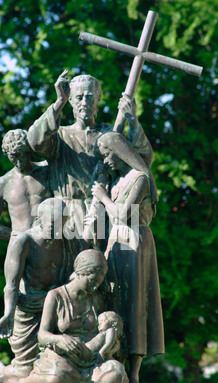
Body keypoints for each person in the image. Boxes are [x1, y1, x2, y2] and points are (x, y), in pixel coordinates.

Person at [27, 71, 151, 259]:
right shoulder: (60, 136)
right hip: (67, 215)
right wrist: (58, 101)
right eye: (79, 97)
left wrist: (133, 120)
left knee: (104, 276)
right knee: (71, 276)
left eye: (90, 97)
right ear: (71, 101)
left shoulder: (111, 135)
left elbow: (142, 162)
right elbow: (34, 141)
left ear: (98, 100)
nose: (84, 101)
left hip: (105, 212)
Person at [0, 250, 130, 383]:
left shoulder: (96, 298)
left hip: (90, 358)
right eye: (92, 281)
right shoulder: (56, 296)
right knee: (56, 378)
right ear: (80, 273)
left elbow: (103, 331)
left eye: (98, 283)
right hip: (63, 356)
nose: (94, 287)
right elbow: (42, 335)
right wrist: (59, 340)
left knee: (117, 373)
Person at [91, 131, 164, 383]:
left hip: (135, 242)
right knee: (114, 302)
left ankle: (134, 375)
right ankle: (115, 366)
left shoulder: (141, 178)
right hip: (115, 242)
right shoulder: (118, 179)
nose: (107, 161)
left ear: (119, 151)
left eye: (108, 155)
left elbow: (123, 215)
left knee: (134, 305)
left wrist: (102, 197)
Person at [0, 198, 68, 383]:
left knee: (55, 361)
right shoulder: (24, 241)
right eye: (53, 223)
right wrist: (8, 313)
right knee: (25, 370)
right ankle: (0, 371)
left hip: (56, 306)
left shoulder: (66, 241)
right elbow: (11, 284)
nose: (56, 229)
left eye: (61, 224)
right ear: (40, 218)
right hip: (28, 308)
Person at [0, 128, 52, 241]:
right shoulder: (2, 183)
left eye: (23, 154)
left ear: (30, 150)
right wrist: (20, 237)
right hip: (21, 244)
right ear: (6, 154)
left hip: (49, 242)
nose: (19, 161)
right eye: (14, 156)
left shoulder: (47, 171)